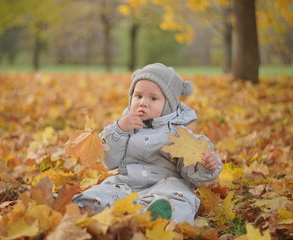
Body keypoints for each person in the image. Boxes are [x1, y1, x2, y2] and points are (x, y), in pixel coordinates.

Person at [72, 63, 222, 224]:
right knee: (102, 192)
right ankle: (78, 208)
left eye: (153, 98)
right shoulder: (124, 126)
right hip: (126, 183)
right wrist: (120, 130)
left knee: (179, 198)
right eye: (138, 96)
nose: (143, 102)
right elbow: (109, 160)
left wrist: (205, 166)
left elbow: (191, 176)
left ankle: (157, 218)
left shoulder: (180, 135)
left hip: (166, 184)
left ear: (168, 106)